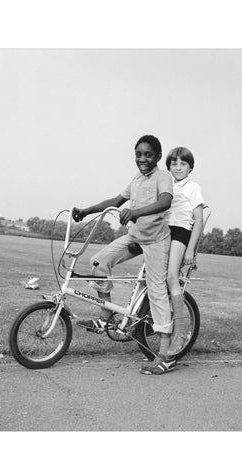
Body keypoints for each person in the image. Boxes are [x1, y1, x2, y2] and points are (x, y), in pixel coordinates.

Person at [72, 134, 176, 375]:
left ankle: (166, 355)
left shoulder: (163, 177)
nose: (142, 159)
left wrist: (136, 211)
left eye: (148, 154)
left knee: (157, 289)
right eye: (138, 154)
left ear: (158, 156)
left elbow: (165, 202)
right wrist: (86, 211)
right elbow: (116, 201)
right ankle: (106, 318)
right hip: (135, 237)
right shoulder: (137, 179)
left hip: (157, 241)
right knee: (99, 261)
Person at [164, 147, 205, 357]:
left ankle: (179, 333)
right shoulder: (168, 185)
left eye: (183, 164)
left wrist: (190, 249)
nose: (178, 167)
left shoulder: (193, 187)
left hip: (181, 233)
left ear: (190, 167)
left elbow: (198, 220)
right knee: (153, 278)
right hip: (164, 233)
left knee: (172, 277)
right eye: (174, 164)